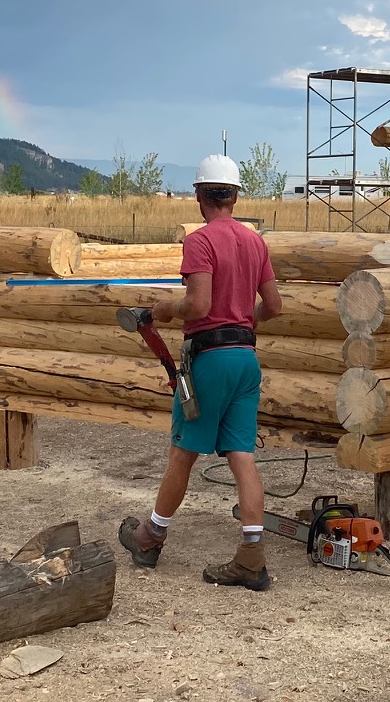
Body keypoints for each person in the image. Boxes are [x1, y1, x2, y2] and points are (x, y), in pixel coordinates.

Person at [118, 155, 283, 591]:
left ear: (198, 196)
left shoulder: (200, 241)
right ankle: (251, 556)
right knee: (242, 456)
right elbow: (275, 306)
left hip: (210, 361)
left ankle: (149, 538)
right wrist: (243, 322)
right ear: (235, 196)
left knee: (183, 453)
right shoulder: (255, 243)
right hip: (245, 359)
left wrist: (165, 309)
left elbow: (198, 305)